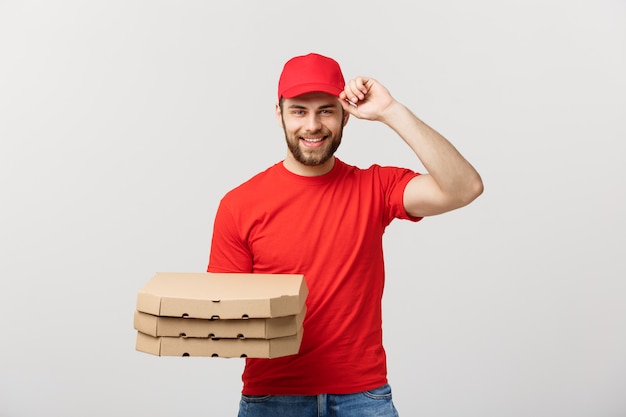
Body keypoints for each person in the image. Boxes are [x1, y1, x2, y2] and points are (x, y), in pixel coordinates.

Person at [207, 52, 483, 417]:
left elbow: (464, 187)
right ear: (279, 114)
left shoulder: (374, 187)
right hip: (272, 398)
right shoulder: (239, 204)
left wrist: (391, 110)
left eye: (326, 110)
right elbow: (224, 319)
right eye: (299, 111)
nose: (312, 125)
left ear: (345, 115)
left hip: (363, 397)